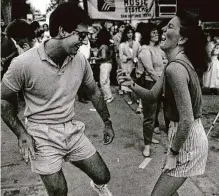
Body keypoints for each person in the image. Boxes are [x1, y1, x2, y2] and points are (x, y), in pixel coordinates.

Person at [1, 3, 115, 196]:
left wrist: (107, 122)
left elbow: (94, 91)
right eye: (81, 35)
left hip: (71, 130)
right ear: (62, 31)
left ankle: (97, 187)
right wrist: (21, 134)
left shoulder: (80, 60)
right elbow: (3, 100)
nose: (85, 42)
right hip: (41, 135)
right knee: (59, 193)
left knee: (103, 176)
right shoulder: (23, 63)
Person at [117, 10, 208, 196]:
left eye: (170, 26)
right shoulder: (172, 64)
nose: (163, 29)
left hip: (187, 140)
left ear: (181, 39)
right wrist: (131, 84)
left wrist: (173, 153)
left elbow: (187, 120)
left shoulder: (175, 68)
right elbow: (151, 96)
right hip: (183, 137)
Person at [136, 23, 166, 157]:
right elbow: (151, 71)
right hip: (150, 84)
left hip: (159, 82)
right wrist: (163, 84)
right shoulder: (144, 50)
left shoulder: (159, 48)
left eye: (157, 32)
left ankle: (150, 137)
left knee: (156, 112)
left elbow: (166, 62)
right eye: (153, 32)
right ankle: (147, 146)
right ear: (147, 34)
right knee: (149, 116)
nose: (156, 35)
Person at [95, 28, 114, 103]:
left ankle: (109, 96)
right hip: (109, 64)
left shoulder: (103, 46)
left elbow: (103, 57)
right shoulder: (108, 45)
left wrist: (96, 58)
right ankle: (106, 96)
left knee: (103, 81)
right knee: (106, 80)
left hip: (105, 64)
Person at [119, 25, 135, 104]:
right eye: (128, 33)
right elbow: (121, 57)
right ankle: (128, 97)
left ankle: (137, 98)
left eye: (131, 33)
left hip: (135, 66)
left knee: (135, 82)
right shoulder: (122, 45)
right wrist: (128, 58)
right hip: (127, 66)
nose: (130, 34)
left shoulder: (137, 43)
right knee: (127, 83)